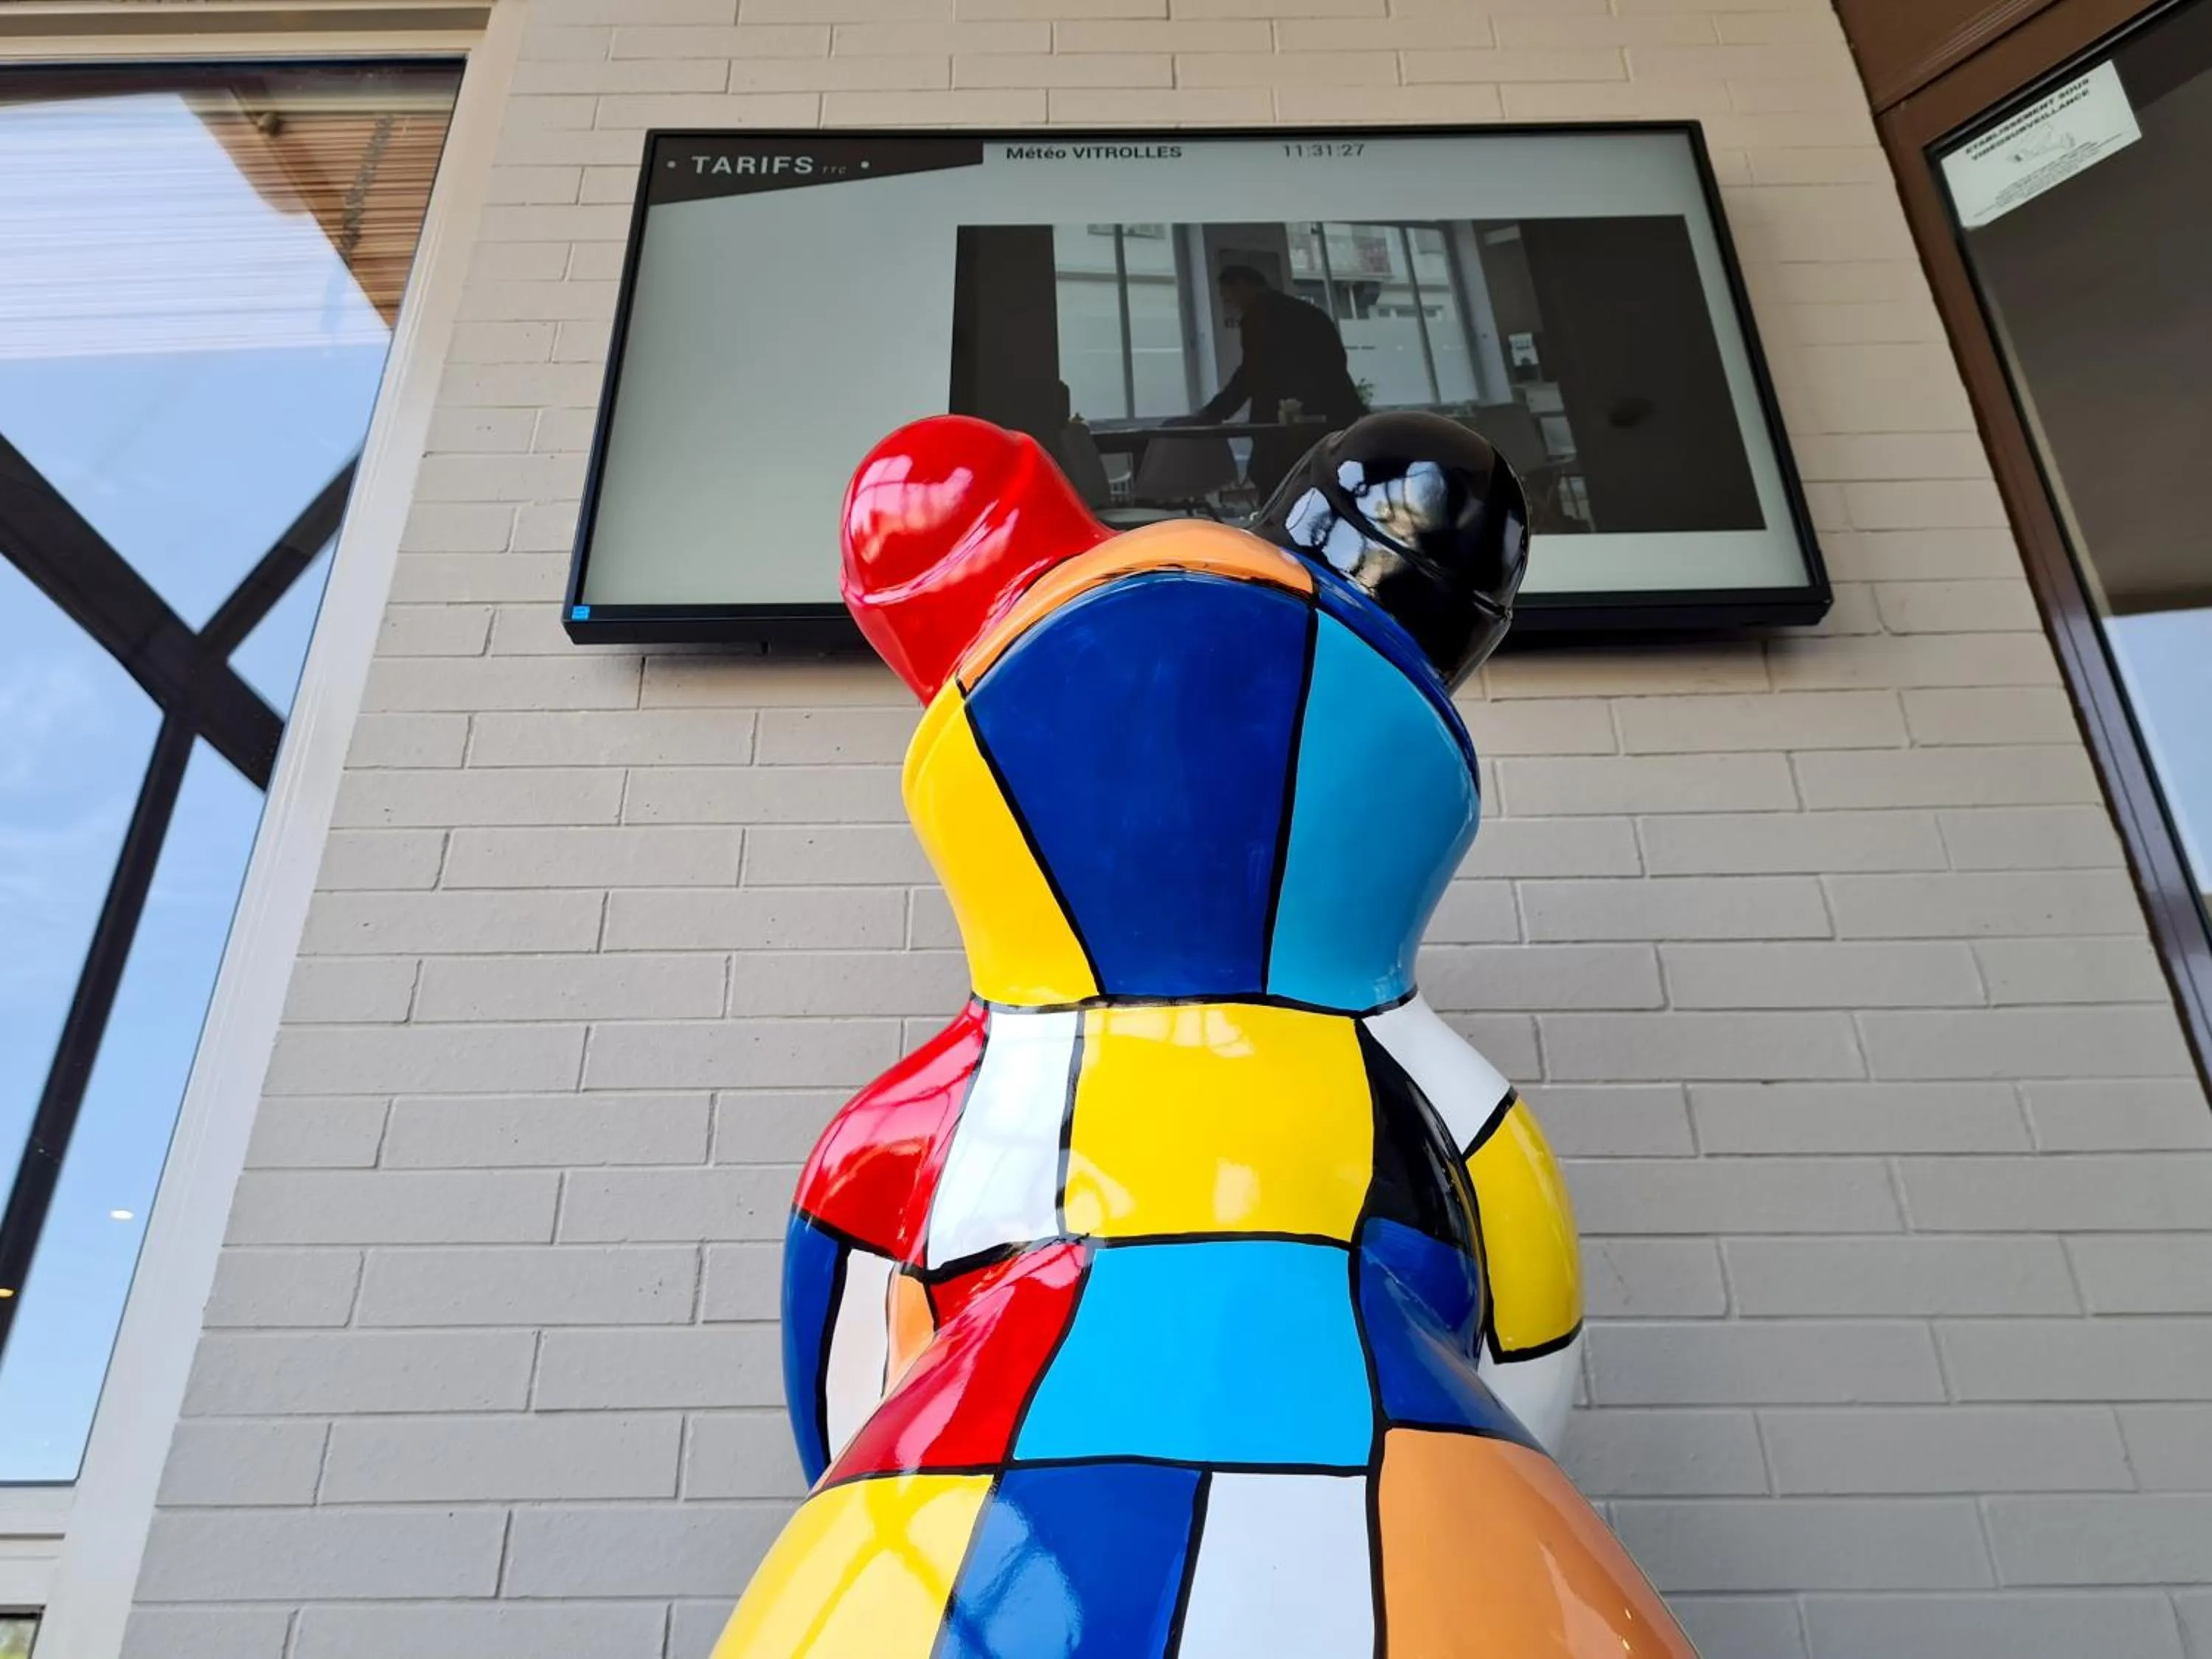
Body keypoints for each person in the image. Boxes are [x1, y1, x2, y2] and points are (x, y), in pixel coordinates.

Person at [1183, 264, 1370, 499]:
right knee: (1327, 481)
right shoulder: (1309, 312)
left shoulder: (1259, 315)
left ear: (1242, 284)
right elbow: (1336, 359)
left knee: (1275, 482)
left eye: (1226, 294)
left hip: (1286, 420)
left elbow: (1253, 371)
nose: (1227, 301)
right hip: (1332, 413)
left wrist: (1214, 412)